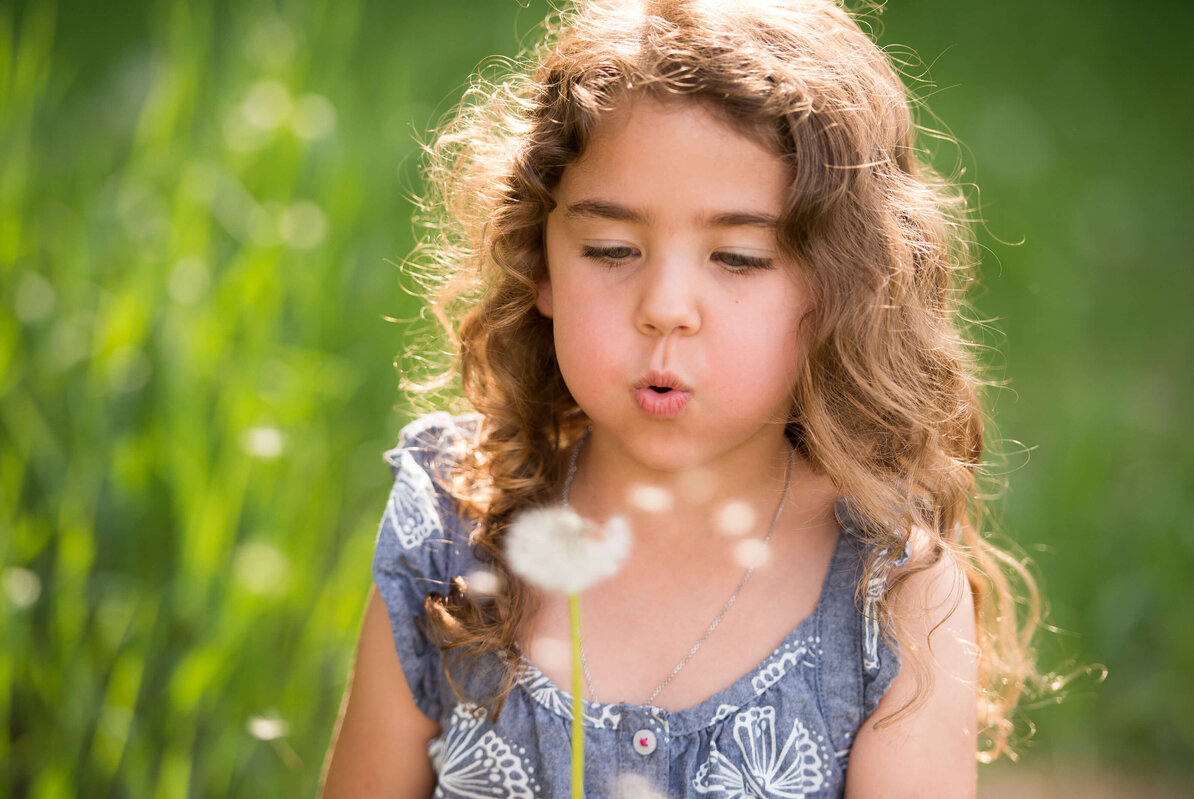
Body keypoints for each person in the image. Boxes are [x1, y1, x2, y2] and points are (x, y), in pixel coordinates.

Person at [321, 0, 1039, 796]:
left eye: (736, 257)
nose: (665, 305)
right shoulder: (451, 531)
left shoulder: (890, 598)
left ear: (846, 288)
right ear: (541, 263)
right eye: (612, 249)